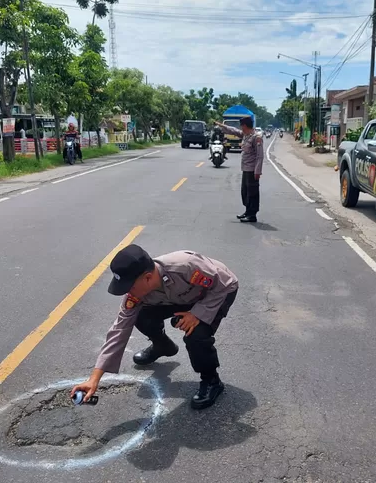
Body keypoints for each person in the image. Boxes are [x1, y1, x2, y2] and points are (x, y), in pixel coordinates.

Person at [71, 245, 239, 410]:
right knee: (142, 317)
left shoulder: (185, 266)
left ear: (148, 277)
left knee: (195, 334)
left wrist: (197, 315)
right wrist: (94, 379)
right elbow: (119, 331)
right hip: (181, 299)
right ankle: (162, 346)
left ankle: (212, 381)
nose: (127, 292)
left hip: (216, 292)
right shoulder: (136, 294)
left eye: (130, 286)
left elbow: (226, 283)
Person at [214, 116, 264, 223]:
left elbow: (260, 156)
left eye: (241, 126)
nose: (240, 128)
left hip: (252, 170)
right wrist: (222, 125)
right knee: (245, 192)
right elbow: (234, 130)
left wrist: (257, 171)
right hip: (245, 169)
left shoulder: (256, 137)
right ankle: (247, 211)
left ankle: (252, 215)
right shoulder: (245, 135)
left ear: (245, 126)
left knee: (252, 193)